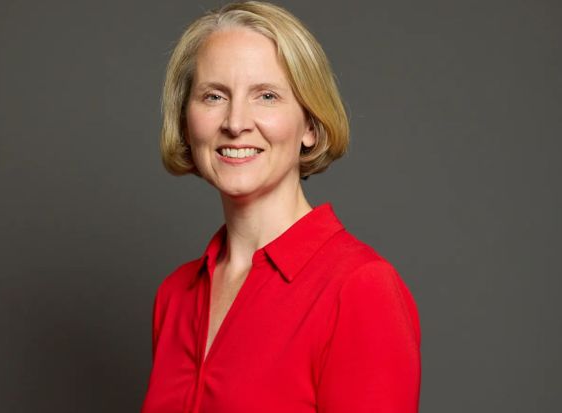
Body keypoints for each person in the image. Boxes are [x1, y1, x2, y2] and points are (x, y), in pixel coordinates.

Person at [141, 2, 421, 412]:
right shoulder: (175, 296)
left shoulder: (360, 289)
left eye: (267, 96)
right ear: (186, 119)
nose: (236, 122)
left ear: (310, 124)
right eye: (214, 95)